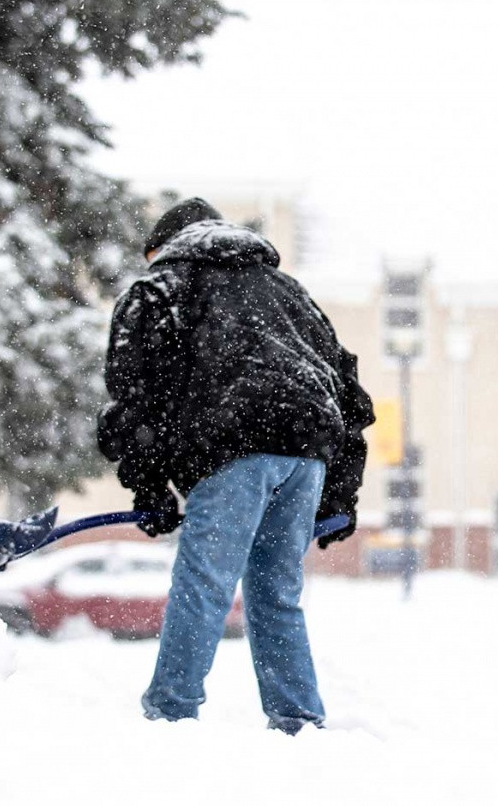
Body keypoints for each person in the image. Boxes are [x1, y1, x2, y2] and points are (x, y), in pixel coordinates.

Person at [97, 197, 374, 734]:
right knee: (275, 592)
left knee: (204, 583)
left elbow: (135, 396)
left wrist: (149, 486)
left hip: (234, 444)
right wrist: (339, 493)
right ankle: (297, 717)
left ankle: (170, 714)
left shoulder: (161, 288)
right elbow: (347, 394)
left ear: (161, 248)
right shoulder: (290, 294)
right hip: (307, 453)